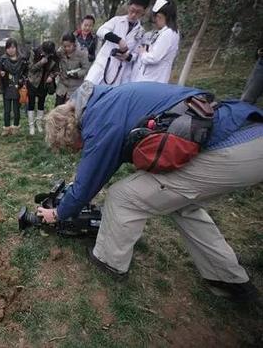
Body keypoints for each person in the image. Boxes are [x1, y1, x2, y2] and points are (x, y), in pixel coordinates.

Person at [38, 81, 263, 301]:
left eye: (74, 147)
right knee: (181, 204)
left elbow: (86, 184)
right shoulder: (105, 100)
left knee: (122, 196)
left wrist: (57, 213)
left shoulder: (101, 122)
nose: (80, 150)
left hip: (227, 149)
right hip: (247, 133)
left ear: (73, 132)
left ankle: (109, 261)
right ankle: (227, 277)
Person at [85, 0, 150, 86]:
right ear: (129, 7)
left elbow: (136, 54)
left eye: (138, 12)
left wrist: (127, 57)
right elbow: (101, 31)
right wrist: (118, 40)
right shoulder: (116, 21)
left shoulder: (141, 32)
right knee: (85, 93)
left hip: (119, 72)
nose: (133, 14)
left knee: (107, 97)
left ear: (144, 12)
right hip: (102, 64)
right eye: (132, 10)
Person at [130, 0, 180, 84]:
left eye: (158, 17)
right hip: (145, 79)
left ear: (166, 17)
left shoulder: (169, 33)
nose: (155, 20)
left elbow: (153, 58)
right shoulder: (159, 32)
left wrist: (143, 53)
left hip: (154, 80)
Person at [26, 41, 59, 135]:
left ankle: (39, 123)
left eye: (49, 54)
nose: (47, 55)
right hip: (33, 81)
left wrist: (51, 77)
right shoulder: (34, 52)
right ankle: (31, 125)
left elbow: (56, 70)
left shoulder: (53, 55)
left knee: (41, 103)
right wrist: (41, 62)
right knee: (31, 103)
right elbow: (31, 68)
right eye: (45, 53)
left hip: (44, 83)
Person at [0, 38, 28, 136]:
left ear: (16, 48)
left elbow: (26, 73)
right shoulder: (3, 60)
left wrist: (22, 81)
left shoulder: (23, 60)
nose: (10, 50)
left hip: (18, 87)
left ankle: (16, 127)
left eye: (13, 47)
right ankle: (6, 128)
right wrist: (1, 74)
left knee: (16, 110)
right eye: (8, 48)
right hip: (7, 87)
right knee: (7, 110)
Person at [56, 33, 90, 106]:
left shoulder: (82, 53)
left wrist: (77, 74)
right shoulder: (61, 53)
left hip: (75, 87)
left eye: (69, 46)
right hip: (62, 87)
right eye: (65, 46)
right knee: (58, 110)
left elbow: (86, 68)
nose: (67, 48)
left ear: (74, 44)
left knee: (71, 112)